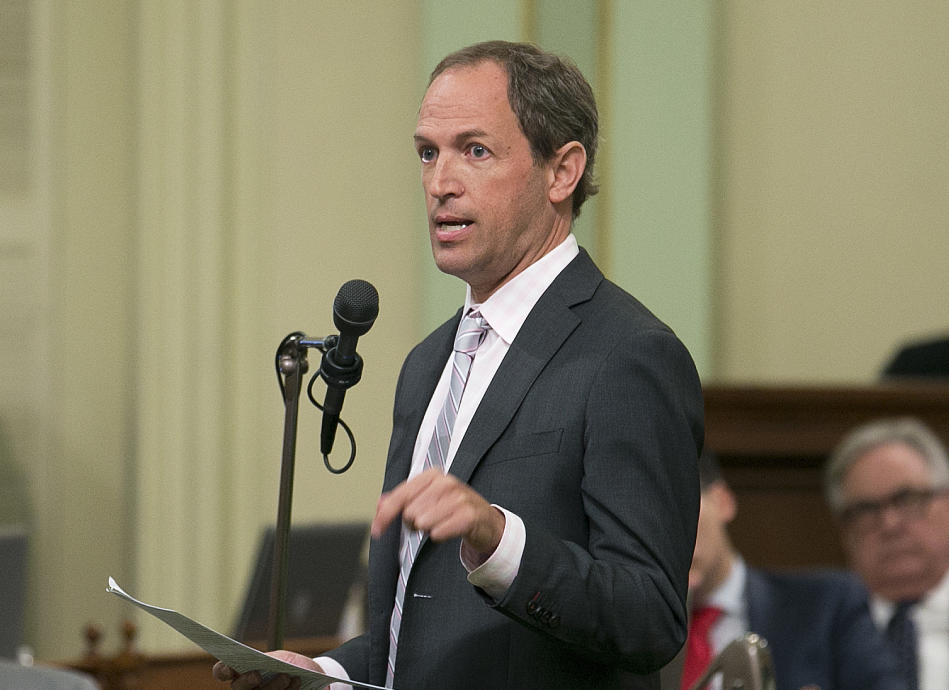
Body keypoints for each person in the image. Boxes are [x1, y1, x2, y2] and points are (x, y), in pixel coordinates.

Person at [215, 40, 703, 689]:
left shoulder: (628, 354)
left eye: (474, 150)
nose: (440, 181)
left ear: (561, 170)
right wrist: (325, 670)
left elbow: (649, 619)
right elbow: (418, 629)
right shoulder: (426, 364)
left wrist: (499, 539)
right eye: (427, 151)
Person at [663, 451, 903, 690]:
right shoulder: (633, 635)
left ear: (722, 502)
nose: (667, 537)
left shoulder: (826, 605)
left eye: (680, 511)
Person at [824, 417, 949, 690]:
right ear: (844, 532)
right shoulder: (817, 633)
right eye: (866, 510)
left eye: (908, 500)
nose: (889, 525)